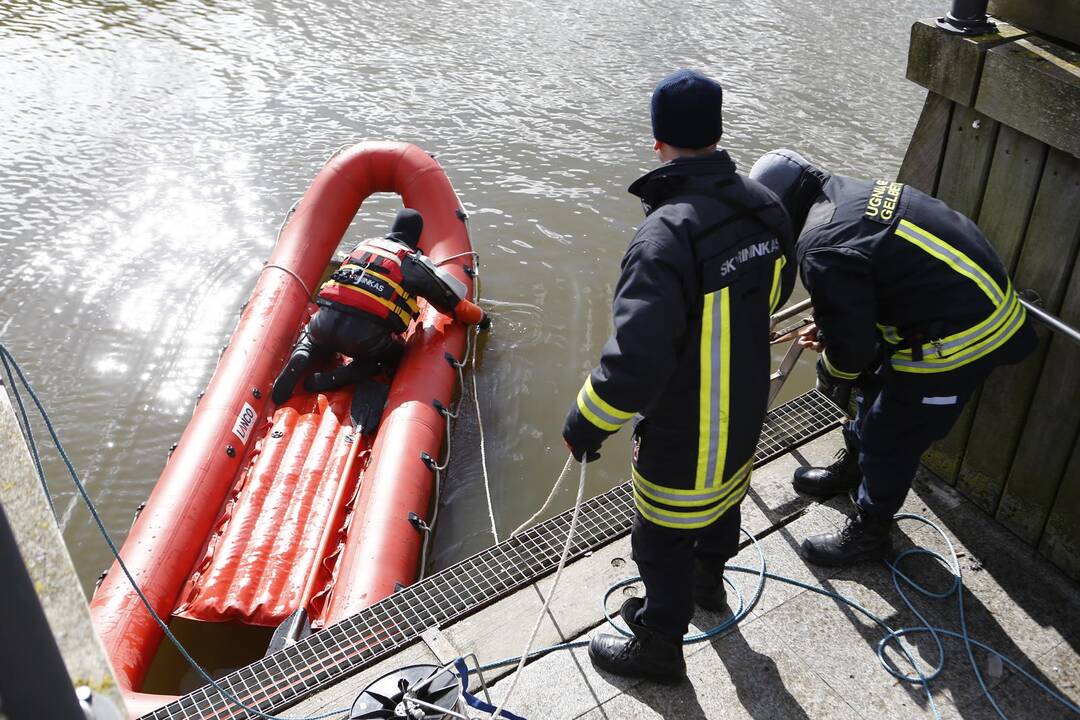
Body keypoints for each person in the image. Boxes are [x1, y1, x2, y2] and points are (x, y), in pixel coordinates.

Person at [561, 69, 796, 683]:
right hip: (746, 405)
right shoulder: (767, 205)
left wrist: (586, 420)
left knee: (660, 536)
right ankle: (708, 587)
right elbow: (772, 294)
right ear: (717, 132)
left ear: (657, 141)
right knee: (724, 504)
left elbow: (636, 360)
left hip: (685, 427)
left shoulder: (664, 235)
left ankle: (660, 644)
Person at [749, 149, 1036, 566]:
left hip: (959, 340)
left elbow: (851, 353)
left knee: (890, 434)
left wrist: (834, 371)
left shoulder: (819, 245)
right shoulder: (847, 194)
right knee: (869, 389)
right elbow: (868, 280)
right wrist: (833, 329)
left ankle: (870, 532)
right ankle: (854, 469)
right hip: (947, 308)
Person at [271, 208, 488, 422]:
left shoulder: (363, 247)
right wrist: (483, 320)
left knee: (311, 336)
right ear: (416, 238)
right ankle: (343, 376)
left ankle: (303, 353)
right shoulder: (411, 262)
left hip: (323, 325)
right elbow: (452, 303)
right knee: (394, 356)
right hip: (364, 341)